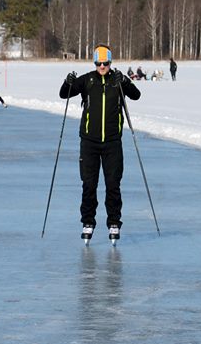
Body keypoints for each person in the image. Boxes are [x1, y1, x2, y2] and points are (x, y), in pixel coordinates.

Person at [59, 45, 141, 244]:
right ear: (94, 63)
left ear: (110, 63)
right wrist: (67, 82)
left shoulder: (117, 80)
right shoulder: (88, 80)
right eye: (98, 63)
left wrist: (126, 82)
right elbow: (64, 94)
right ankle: (88, 221)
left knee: (113, 184)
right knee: (89, 184)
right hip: (89, 142)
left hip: (113, 142)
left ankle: (114, 222)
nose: (102, 66)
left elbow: (136, 95)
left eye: (105, 63)